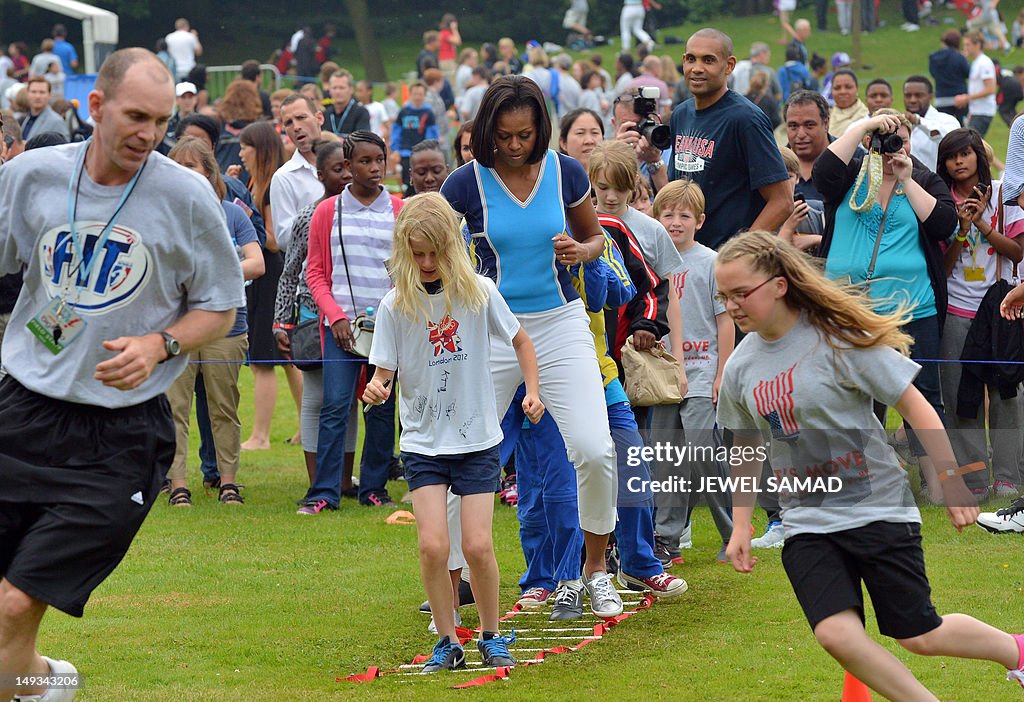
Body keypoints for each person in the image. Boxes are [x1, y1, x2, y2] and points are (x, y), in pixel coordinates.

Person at [0, 47, 243, 700]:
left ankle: (39, 681)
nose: (149, 133)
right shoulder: (31, 178)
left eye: (162, 121)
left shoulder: (187, 197)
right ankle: (39, 684)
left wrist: (162, 343)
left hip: (121, 436)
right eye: (136, 116)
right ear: (94, 106)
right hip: (22, 410)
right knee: (7, 621)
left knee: (15, 605)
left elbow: (221, 306)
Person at [717, 230, 1024, 701]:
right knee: (836, 635)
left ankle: (1017, 652)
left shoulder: (839, 339)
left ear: (779, 285)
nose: (732, 305)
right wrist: (741, 524)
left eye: (741, 293)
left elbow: (918, 408)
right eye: (724, 296)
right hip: (806, 521)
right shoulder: (741, 367)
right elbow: (746, 441)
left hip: (878, 512)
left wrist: (952, 480)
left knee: (919, 635)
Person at [441, 75, 623, 617]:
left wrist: (580, 250)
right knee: (466, 457)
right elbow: (437, 257)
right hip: (491, 328)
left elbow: (597, 240)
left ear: (541, 128)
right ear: (485, 131)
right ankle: (450, 584)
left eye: (525, 135)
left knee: (594, 448)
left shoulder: (566, 171)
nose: (515, 146)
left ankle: (594, 571)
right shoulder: (462, 185)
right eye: (504, 136)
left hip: (561, 323)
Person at [362, 192, 539, 672]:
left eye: (432, 253)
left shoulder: (479, 293)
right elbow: (383, 371)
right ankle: (447, 640)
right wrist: (376, 389)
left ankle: (491, 633)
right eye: (415, 253)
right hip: (423, 441)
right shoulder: (395, 304)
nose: (424, 263)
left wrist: (533, 391)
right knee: (433, 545)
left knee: (479, 544)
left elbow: (521, 339)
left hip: (477, 439)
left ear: (450, 248)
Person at [814, 110, 956, 503]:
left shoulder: (924, 179)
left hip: (912, 308)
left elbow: (945, 223)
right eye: (885, 139)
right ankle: (861, 479)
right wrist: (864, 126)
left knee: (924, 393)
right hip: (848, 308)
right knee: (850, 394)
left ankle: (937, 485)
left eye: (901, 139)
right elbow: (823, 173)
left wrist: (907, 178)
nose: (894, 146)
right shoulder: (851, 176)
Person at [305, 131, 405, 513]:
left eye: (379, 159)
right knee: (335, 405)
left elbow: (408, 269)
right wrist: (335, 317)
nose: (375, 167)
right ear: (347, 166)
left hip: (388, 328)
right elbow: (315, 273)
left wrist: (394, 315)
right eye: (365, 161)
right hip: (342, 330)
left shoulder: (399, 209)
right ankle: (325, 492)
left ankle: (375, 488)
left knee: (382, 407)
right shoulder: (327, 212)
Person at [165, 136, 265, 507]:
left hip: (227, 327)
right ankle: (177, 484)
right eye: (177, 167)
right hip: (177, 327)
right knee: (175, 408)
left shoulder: (233, 213)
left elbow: (257, 262)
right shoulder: (166, 215)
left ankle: (228, 483)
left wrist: (217, 272)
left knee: (224, 407)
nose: (185, 174)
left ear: (210, 172)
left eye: (191, 166)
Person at [935, 128, 1024, 500]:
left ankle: (1007, 477)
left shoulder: (1005, 194)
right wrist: (962, 229)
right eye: (951, 156)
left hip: (1000, 306)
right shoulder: (941, 200)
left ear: (979, 156)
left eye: (965, 154)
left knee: (1006, 393)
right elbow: (942, 266)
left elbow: (1017, 253)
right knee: (959, 397)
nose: (958, 161)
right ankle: (973, 478)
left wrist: (984, 224)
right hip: (957, 309)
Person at [650, 179, 735, 564]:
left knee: (703, 452)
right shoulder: (650, 262)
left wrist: (721, 375)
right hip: (662, 377)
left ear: (699, 220)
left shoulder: (712, 262)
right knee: (665, 457)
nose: (675, 222)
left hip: (703, 374)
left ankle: (733, 533)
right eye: (667, 214)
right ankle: (666, 539)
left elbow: (725, 322)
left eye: (684, 215)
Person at [273, 140, 355, 495]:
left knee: (348, 397)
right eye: (338, 170)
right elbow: (290, 272)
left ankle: (342, 478)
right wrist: (281, 321)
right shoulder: (309, 215)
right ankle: (316, 476)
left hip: (354, 314)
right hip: (311, 313)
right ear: (321, 175)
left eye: (349, 167)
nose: (347, 175)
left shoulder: (362, 211)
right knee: (317, 396)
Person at [668, 28, 793, 250]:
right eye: (691, 59)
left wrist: (739, 253)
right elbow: (675, 189)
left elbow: (782, 202)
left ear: (729, 65)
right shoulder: (681, 114)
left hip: (727, 264)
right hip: (686, 258)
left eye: (708, 60)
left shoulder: (746, 119)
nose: (697, 68)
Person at [902, 75, 961, 172]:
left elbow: (951, 142)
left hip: (937, 183)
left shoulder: (947, 120)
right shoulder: (900, 124)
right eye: (908, 95)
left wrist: (918, 121)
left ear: (930, 96)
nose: (912, 100)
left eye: (918, 95)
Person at [784, 90, 832, 203]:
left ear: (826, 123)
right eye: (793, 126)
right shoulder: (774, 166)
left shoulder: (851, 160)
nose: (801, 135)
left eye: (809, 125)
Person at [392, 81, 438, 197]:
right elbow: (397, 131)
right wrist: (395, 149)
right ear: (410, 94)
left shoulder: (428, 113)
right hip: (405, 152)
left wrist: (429, 149)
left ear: (424, 95)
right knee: (407, 179)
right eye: (415, 94)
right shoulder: (404, 112)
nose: (417, 97)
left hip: (421, 153)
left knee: (421, 178)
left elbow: (432, 133)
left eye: (420, 94)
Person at [957, 31, 998, 138]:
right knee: (975, 144)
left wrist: (967, 98)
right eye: (964, 44)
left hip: (983, 111)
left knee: (974, 144)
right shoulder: (976, 62)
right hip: (976, 110)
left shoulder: (984, 63)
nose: (965, 48)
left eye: (968, 44)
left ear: (978, 44)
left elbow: (990, 89)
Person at [930, 30, 971, 125]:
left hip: (941, 97)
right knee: (963, 130)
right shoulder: (959, 57)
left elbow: (933, 73)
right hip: (959, 98)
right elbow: (968, 73)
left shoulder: (933, 57)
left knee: (944, 128)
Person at [324, 69, 371, 139]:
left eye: (342, 88)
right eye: (334, 88)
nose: (338, 92)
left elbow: (362, 141)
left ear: (351, 89)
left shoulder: (361, 113)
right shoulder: (326, 114)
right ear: (329, 90)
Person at [19, 77, 69, 142]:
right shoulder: (26, 119)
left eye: (42, 92)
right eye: (33, 92)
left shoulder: (56, 121)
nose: (37, 96)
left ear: (49, 95)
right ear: (28, 94)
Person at [828, 69, 868, 138]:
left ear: (857, 88)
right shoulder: (826, 118)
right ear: (831, 90)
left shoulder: (866, 117)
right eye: (837, 88)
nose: (842, 92)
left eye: (848, 87)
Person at [437, 14, 462, 86]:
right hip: (447, 60)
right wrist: (455, 29)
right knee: (451, 81)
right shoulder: (445, 33)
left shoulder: (444, 33)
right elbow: (458, 41)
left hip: (447, 60)